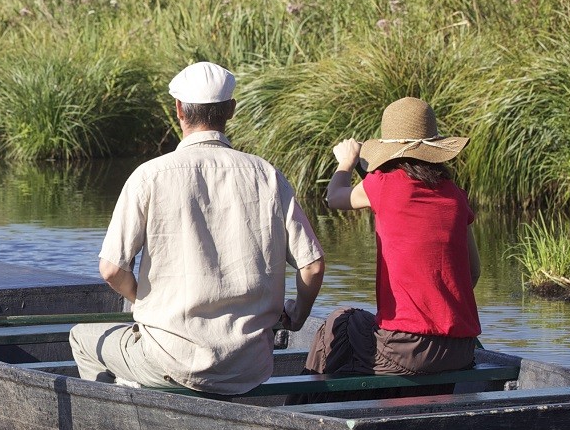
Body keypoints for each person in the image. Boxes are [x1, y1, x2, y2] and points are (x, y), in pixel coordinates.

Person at [70, 61, 325, 395]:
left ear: (179, 110)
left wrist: (142, 299)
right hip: (251, 365)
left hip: (170, 361)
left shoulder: (149, 176)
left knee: (82, 338)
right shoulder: (267, 176)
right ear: (230, 110)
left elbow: (111, 269)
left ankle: (126, 409)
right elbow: (313, 265)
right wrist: (301, 314)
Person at [317, 97, 481, 377]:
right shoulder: (455, 195)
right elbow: (473, 273)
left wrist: (346, 162)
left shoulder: (383, 184)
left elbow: (334, 197)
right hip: (462, 350)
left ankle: (313, 414)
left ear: (389, 150)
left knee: (340, 322)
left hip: (408, 350)